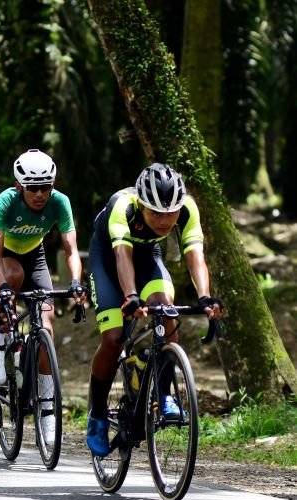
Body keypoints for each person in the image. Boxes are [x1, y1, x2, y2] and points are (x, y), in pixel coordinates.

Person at [85, 163, 223, 457]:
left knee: (166, 310)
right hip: (109, 260)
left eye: (170, 213)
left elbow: (194, 253)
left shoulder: (187, 208)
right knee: (113, 338)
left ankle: (164, 393)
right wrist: (131, 296)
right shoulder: (123, 206)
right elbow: (122, 254)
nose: (165, 220)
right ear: (143, 204)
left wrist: (205, 297)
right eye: (156, 212)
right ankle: (97, 414)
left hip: (148, 257)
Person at [0, 149, 85, 441]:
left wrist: (77, 282)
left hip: (36, 256)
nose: (40, 194)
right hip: (6, 256)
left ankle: (47, 409)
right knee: (13, 276)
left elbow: (71, 249)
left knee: (47, 324)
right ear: (19, 187)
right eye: (33, 188)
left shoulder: (59, 202)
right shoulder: (5, 201)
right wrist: (2, 286)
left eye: (46, 187)